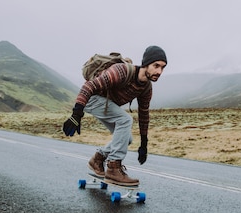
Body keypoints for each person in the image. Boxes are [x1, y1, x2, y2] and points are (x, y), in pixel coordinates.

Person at [62, 45, 167, 186]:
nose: (159, 71)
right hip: (92, 98)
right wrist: (76, 114)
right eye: (156, 65)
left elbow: (144, 115)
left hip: (105, 104)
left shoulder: (146, 88)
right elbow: (89, 87)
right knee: (125, 120)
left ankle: (97, 159)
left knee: (126, 138)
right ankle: (113, 168)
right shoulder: (121, 71)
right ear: (146, 63)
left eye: (162, 67)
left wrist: (144, 143)